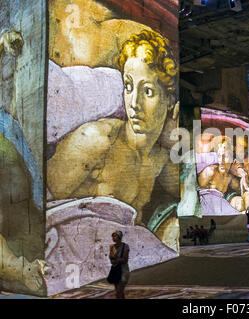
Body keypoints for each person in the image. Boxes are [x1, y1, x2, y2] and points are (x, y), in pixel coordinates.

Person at [47, 30, 179, 226]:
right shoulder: (96, 140)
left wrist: (174, 137)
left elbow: (185, 192)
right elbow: (40, 202)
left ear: (169, 101)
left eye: (148, 91)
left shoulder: (160, 159)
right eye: (128, 86)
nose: (134, 103)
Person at [109, 230, 130, 299]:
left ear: (119, 237)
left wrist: (115, 258)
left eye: (115, 236)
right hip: (115, 271)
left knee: (119, 292)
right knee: (119, 292)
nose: (113, 238)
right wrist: (117, 259)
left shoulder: (125, 246)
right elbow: (111, 259)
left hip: (124, 271)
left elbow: (125, 260)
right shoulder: (112, 247)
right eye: (113, 236)